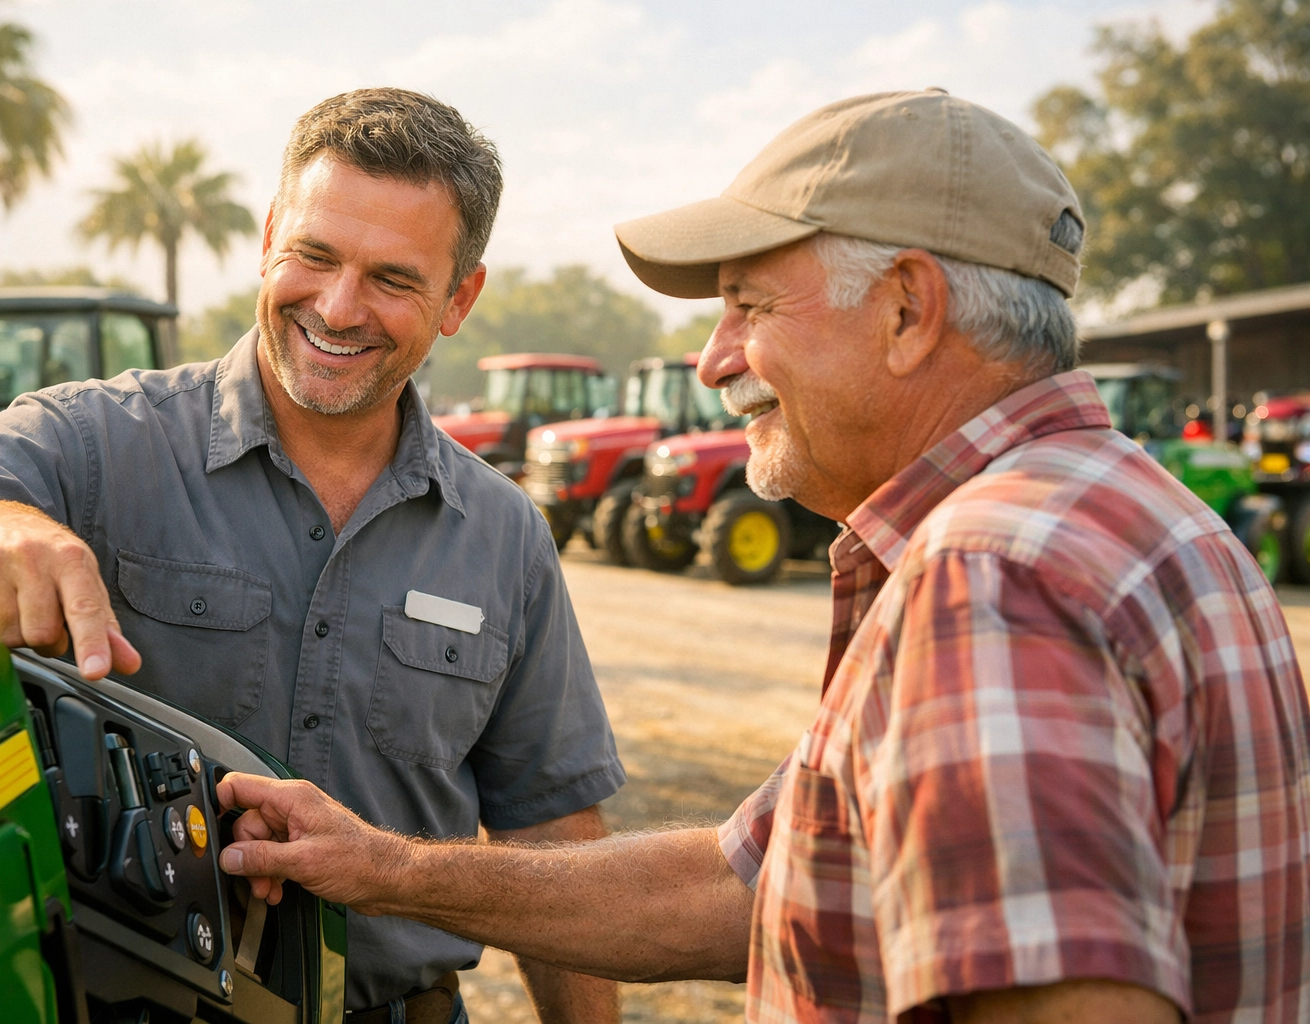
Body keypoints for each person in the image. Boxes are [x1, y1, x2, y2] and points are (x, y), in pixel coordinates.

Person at [208, 89, 1310, 1023]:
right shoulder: (1133, 517)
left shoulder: (989, 577)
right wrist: (385, 867)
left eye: (747, 304)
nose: (713, 357)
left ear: (909, 309)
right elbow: (753, 880)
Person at [0, 88, 625, 1024]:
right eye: (314, 255)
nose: (338, 307)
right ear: (270, 234)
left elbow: (554, 833)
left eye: (393, 278)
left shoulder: (506, 534)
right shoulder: (96, 441)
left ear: (459, 298)